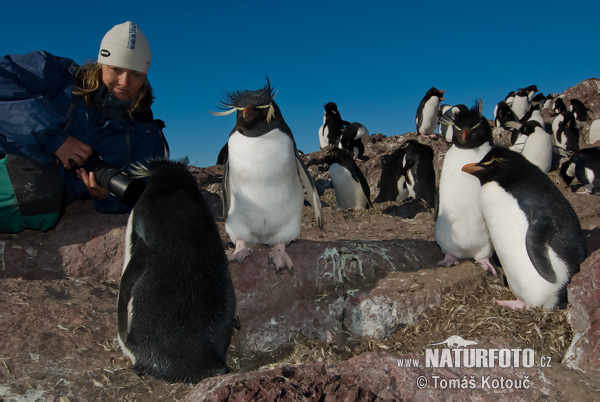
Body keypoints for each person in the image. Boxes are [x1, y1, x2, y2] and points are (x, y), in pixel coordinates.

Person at [0, 21, 168, 233]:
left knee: (41, 193)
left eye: (136, 74)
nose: (124, 82)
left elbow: (140, 194)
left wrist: (105, 197)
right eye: (116, 69)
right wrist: (54, 139)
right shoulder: (58, 75)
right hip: (7, 156)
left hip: (39, 192)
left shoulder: (145, 132)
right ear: (101, 64)